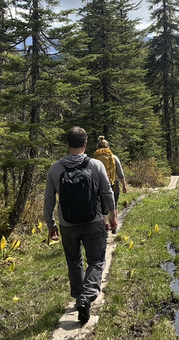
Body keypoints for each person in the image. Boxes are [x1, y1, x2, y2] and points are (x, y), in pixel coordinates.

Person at [44, 126, 118, 324]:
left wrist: (51, 225)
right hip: (93, 222)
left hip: (67, 225)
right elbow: (107, 193)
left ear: (67, 144)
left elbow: (49, 201)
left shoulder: (55, 168)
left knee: (74, 261)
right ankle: (87, 297)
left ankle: (79, 297)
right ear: (85, 145)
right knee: (96, 261)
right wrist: (112, 214)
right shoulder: (95, 165)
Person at [93, 136, 128, 231]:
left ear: (98, 148)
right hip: (113, 183)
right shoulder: (113, 157)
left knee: (102, 206)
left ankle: (105, 226)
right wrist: (124, 185)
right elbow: (120, 174)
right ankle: (114, 226)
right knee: (114, 204)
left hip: (99, 185)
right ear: (108, 147)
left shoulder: (94, 159)